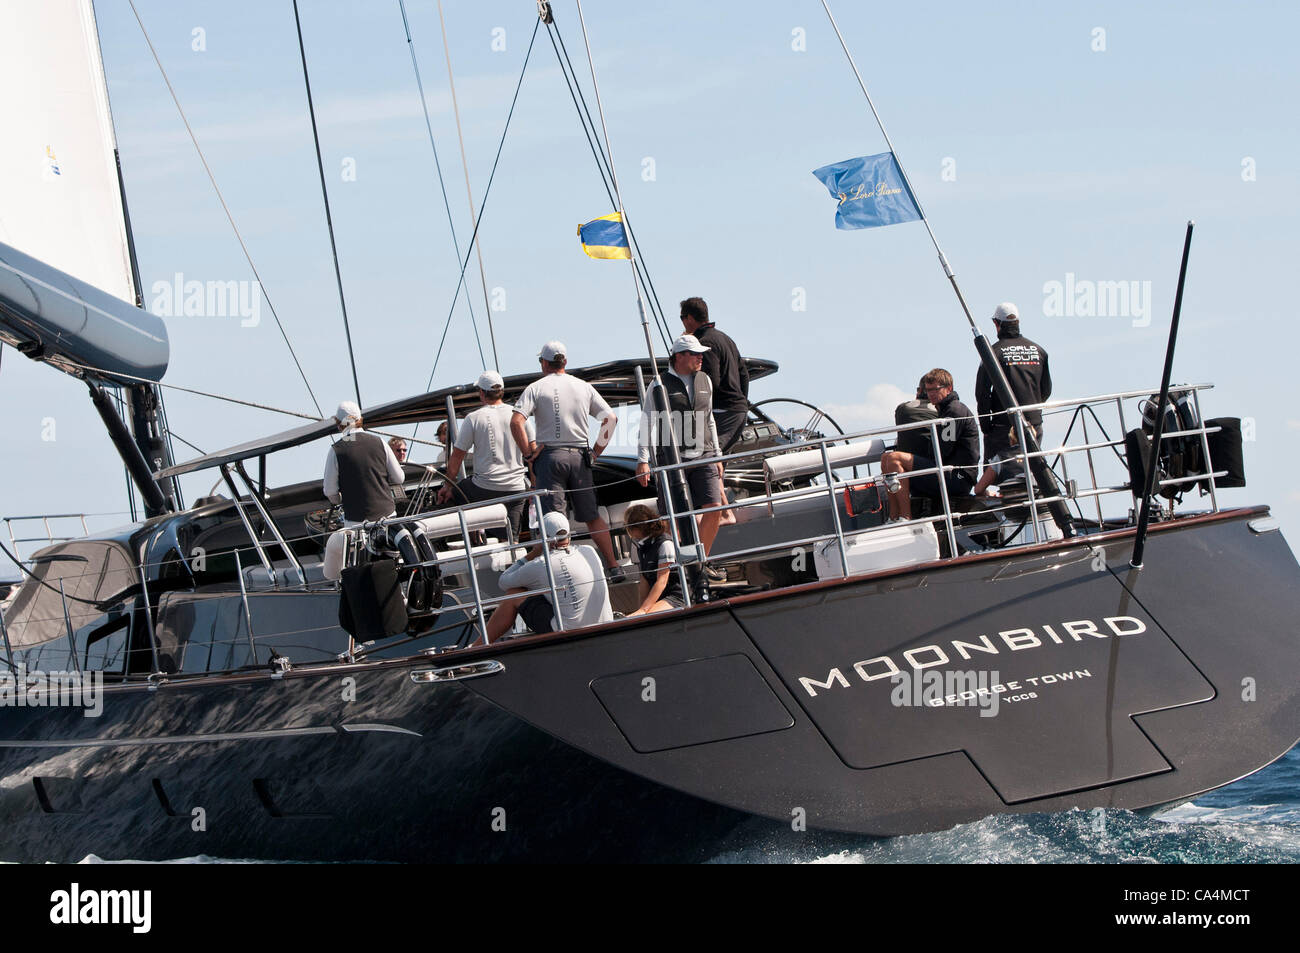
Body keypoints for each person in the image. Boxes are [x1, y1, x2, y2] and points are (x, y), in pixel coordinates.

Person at [511, 340, 620, 575]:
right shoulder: (583, 386)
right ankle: (613, 566)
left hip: (550, 457)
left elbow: (516, 421)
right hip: (580, 456)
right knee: (592, 517)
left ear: (544, 363)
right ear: (565, 362)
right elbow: (610, 418)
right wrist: (595, 452)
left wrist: (528, 455)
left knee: (555, 519)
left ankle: (565, 573)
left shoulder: (536, 387)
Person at [636, 334, 722, 555]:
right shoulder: (658, 385)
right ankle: (682, 561)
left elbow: (709, 418)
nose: (701, 358)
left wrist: (718, 455)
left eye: (701, 354)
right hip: (673, 458)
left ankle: (700, 559)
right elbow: (647, 422)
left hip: (705, 454)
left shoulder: (706, 380)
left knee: (715, 509)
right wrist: (642, 461)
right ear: (679, 356)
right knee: (674, 515)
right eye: (696, 354)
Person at [485, 511, 612, 642]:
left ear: (544, 538)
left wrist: (533, 554)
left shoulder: (539, 564)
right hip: (605, 624)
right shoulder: (588, 550)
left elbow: (503, 581)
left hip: (567, 632)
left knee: (514, 594)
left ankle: (478, 647)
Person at [322, 401, 410, 581]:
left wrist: (340, 499)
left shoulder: (336, 450)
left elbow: (330, 492)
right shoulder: (379, 442)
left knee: (344, 554)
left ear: (339, 424)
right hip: (388, 520)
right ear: (361, 419)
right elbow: (399, 478)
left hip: (356, 528)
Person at [878, 369, 980, 522]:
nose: (931, 394)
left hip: (958, 477)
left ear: (949, 388)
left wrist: (914, 460)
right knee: (886, 458)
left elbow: (942, 451)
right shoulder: (944, 410)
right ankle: (893, 517)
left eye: (935, 390)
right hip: (946, 472)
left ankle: (905, 517)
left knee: (894, 459)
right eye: (929, 390)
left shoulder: (954, 411)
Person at [436, 370, 527, 538]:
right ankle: (510, 548)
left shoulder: (474, 418)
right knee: (511, 538)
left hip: (484, 487)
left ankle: (471, 537)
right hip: (516, 488)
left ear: (482, 393)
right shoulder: (518, 414)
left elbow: (457, 457)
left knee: (457, 492)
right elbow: (531, 450)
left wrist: (447, 486)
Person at [974, 302, 1051, 463]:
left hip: (1004, 428)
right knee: (1031, 471)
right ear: (1018, 322)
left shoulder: (992, 353)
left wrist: (986, 427)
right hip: (1034, 425)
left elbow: (982, 393)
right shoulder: (1039, 350)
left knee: (1003, 477)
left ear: (996, 323)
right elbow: (1046, 390)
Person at [679, 297, 749, 453]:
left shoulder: (705, 343)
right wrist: (742, 403)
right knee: (717, 465)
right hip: (737, 413)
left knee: (706, 458)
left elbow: (710, 382)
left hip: (722, 414)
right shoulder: (725, 338)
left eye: (682, 318)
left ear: (689, 318)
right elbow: (744, 373)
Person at [623, 503, 685, 615]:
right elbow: (644, 580)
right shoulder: (641, 545)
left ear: (635, 528)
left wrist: (644, 610)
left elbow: (662, 581)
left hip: (677, 596)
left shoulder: (665, 544)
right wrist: (640, 609)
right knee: (637, 617)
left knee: (643, 617)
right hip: (660, 597)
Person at [894, 377, 939, 457]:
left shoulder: (901, 409)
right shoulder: (941, 411)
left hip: (905, 463)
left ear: (919, 390)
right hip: (935, 460)